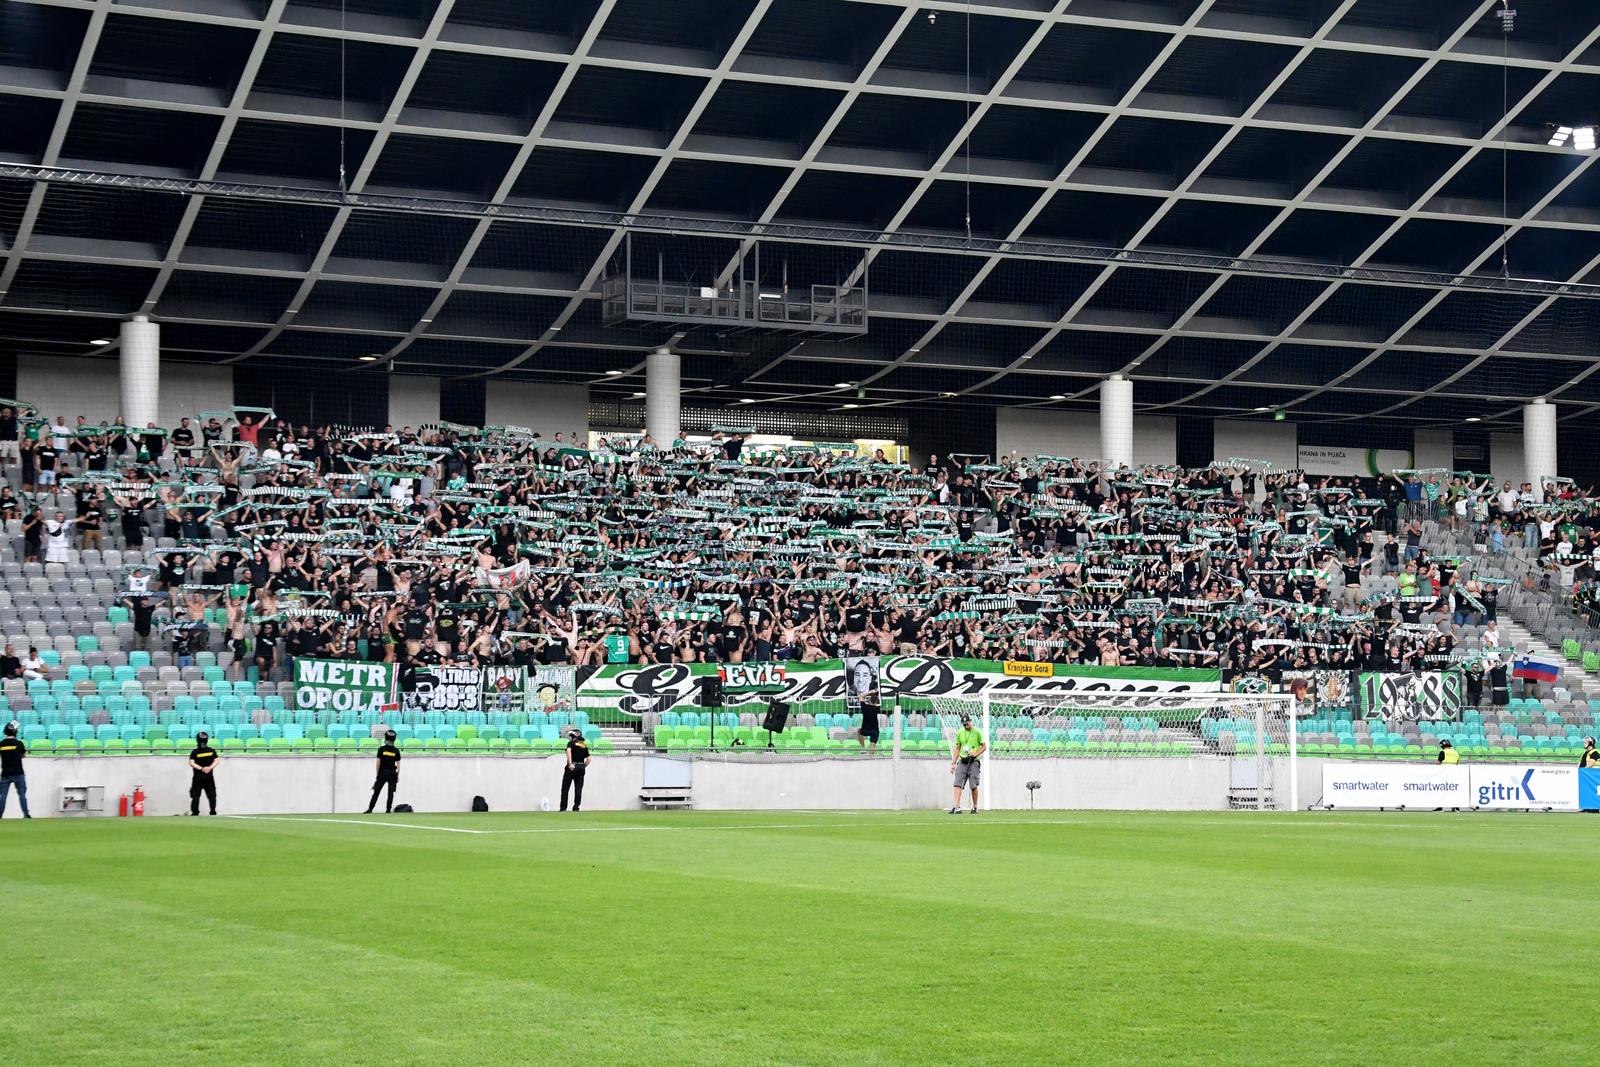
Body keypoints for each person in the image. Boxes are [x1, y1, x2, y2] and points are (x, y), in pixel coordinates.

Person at [949, 713, 986, 814]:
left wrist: (976, 753)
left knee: (973, 786)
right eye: (964, 724)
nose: (965, 726)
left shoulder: (978, 732)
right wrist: (953, 763)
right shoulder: (959, 733)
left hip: (974, 761)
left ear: (971, 721)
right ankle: (956, 806)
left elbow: (984, 746)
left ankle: (974, 807)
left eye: (967, 724)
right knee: (957, 783)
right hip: (963, 761)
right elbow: (957, 748)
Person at [366, 729, 401, 814]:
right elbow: (399, 766)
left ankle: (370, 809)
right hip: (392, 773)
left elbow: (378, 763)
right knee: (390, 793)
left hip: (382, 773)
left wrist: (377, 774)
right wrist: (397, 775)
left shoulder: (381, 749)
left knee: (376, 791)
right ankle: (388, 810)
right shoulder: (396, 751)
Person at [0, 721, 30, 819]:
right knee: (22, 794)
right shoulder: (19, 743)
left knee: (3, 795)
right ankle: (26, 814)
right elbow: (23, 755)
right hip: (18, 773)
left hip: (5, 773)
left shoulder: (1, 744)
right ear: (15, 732)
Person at [188, 731, 219, 816]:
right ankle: (213, 811)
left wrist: (202, 768)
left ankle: (195, 812)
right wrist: (209, 768)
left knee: (196, 795)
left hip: (198, 778)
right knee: (212, 795)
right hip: (209, 777)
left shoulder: (195, 752)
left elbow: (191, 763)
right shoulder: (211, 751)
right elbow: (217, 761)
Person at [560, 726, 590, 812]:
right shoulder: (583, 745)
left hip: (572, 767)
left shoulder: (571, 743)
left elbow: (568, 752)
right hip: (581, 767)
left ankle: (563, 808)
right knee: (578, 788)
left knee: (565, 788)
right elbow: (589, 759)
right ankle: (576, 807)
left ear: (573, 736)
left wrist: (570, 763)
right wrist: (583, 766)